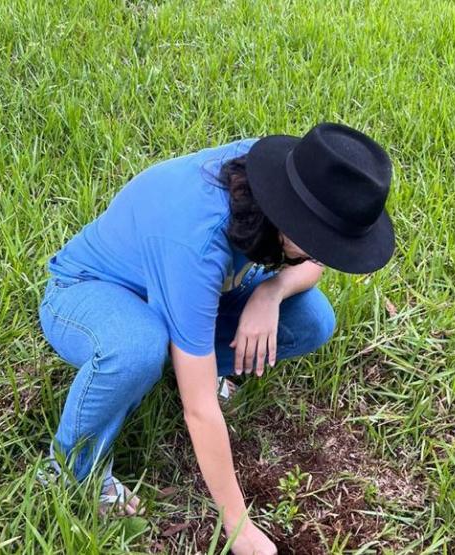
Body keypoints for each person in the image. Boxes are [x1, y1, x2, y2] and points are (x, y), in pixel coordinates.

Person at [37, 122, 395, 554]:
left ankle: (186, 360)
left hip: (180, 292)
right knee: (137, 348)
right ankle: (72, 470)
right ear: (291, 225)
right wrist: (239, 527)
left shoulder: (286, 178)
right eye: (322, 245)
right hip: (87, 292)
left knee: (311, 318)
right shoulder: (198, 243)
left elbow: (310, 267)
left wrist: (271, 290)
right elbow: (200, 410)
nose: (325, 257)